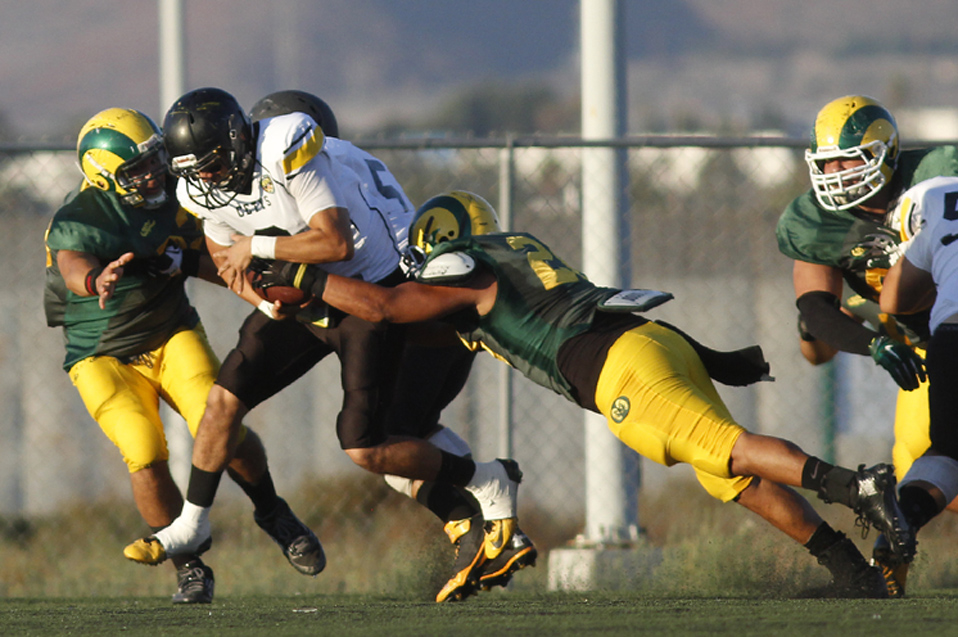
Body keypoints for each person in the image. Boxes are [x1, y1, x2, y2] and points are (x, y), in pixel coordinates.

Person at [252, 189, 918, 598]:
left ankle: (856, 486)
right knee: (728, 476)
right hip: (647, 338)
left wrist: (302, 278)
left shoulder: (463, 265)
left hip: (614, 367)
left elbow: (386, 304)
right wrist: (324, 319)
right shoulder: (512, 251)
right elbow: (421, 328)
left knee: (729, 450)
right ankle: (850, 571)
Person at [122, 88, 524, 603]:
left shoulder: (291, 150)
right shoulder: (199, 189)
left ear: (240, 139)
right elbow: (227, 261)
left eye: (215, 162)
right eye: (196, 168)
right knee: (222, 401)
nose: (207, 176)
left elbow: (334, 243)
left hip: (361, 291)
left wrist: (259, 248)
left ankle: (483, 488)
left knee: (368, 443)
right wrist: (266, 302)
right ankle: (194, 522)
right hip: (304, 293)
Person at [254, 89, 537, 601]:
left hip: (415, 321)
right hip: (429, 314)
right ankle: (480, 528)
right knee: (404, 439)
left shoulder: (322, 167)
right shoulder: (352, 159)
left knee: (377, 444)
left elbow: (339, 255)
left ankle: (491, 515)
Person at [43, 108, 322, 605]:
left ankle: (272, 511)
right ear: (105, 179)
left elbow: (217, 261)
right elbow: (72, 262)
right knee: (144, 453)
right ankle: (188, 566)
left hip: (171, 332)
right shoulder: (78, 217)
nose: (152, 173)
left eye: (153, 158)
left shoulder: (182, 194)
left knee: (222, 425)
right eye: (136, 170)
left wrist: (261, 290)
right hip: (101, 354)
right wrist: (95, 280)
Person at [775, 94, 958, 596]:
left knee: (939, 460)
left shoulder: (939, 172)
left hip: (936, 326)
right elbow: (814, 309)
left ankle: (889, 548)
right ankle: (888, 556)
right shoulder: (814, 222)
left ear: (885, 152)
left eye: (848, 159)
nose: (836, 172)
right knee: (923, 456)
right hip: (920, 343)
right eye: (826, 162)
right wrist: (873, 343)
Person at [879, 175, 958, 595]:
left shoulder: (936, 217)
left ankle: (899, 522)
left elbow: (891, 302)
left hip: (951, 333)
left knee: (946, 452)